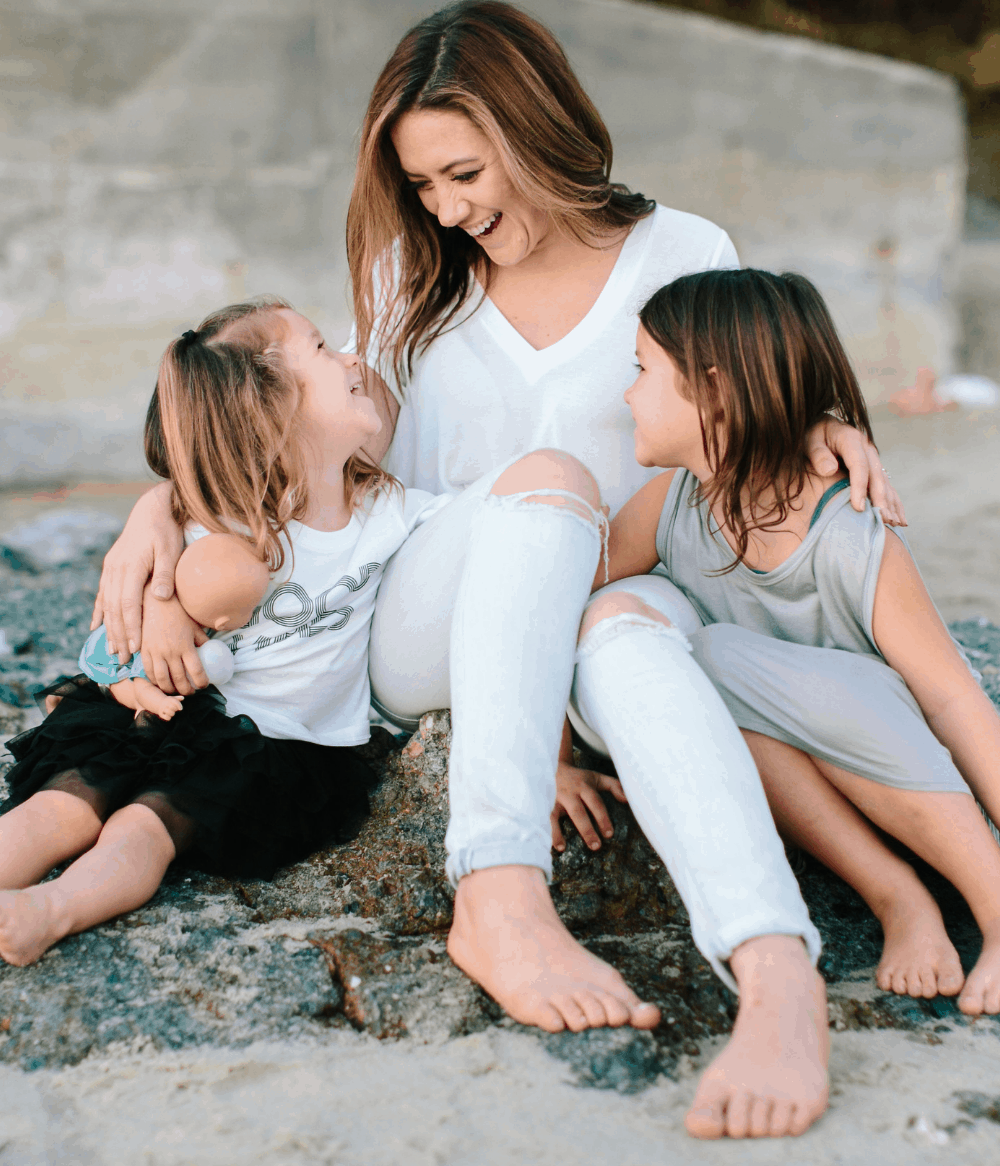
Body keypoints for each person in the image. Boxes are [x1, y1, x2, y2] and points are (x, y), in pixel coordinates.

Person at [90, 1, 901, 1140]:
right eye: (422, 184)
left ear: (538, 127)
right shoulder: (407, 274)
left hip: (624, 590)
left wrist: (815, 423)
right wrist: (157, 509)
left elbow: (742, 411)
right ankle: (500, 891)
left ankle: (777, 980)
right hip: (423, 619)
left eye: (465, 173)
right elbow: (288, 445)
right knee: (553, 477)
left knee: (625, 632)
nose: (446, 209)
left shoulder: (686, 255)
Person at [0, 296, 610, 974]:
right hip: (163, 714)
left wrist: (549, 745)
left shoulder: (392, 513)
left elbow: (510, 587)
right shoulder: (222, 524)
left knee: (146, 828)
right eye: (321, 348)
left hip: (272, 748)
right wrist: (134, 666)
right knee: (65, 809)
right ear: (272, 411)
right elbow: (114, 640)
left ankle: (48, 912)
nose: (352, 359)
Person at [592, 267, 1000, 1130]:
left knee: (713, 652)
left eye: (640, 369)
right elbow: (564, 600)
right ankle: (898, 897)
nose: (625, 393)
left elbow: (952, 700)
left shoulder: (846, 528)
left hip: (887, 744)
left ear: (714, 391)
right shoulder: (673, 505)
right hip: (786, 757)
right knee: (700, 680)